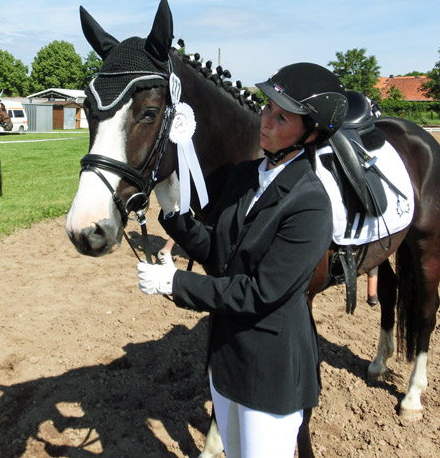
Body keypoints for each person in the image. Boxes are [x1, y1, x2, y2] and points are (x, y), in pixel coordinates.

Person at [136, 63, 348, 458]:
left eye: (281, 117)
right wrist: (174, 216)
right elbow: (221, 252)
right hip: (226, 359)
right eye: (267, 108)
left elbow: (261, 292)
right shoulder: (248, 175)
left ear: (312, 133)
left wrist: (175, 284)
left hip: (270, 372)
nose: (265, 120)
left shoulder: (311, 203)